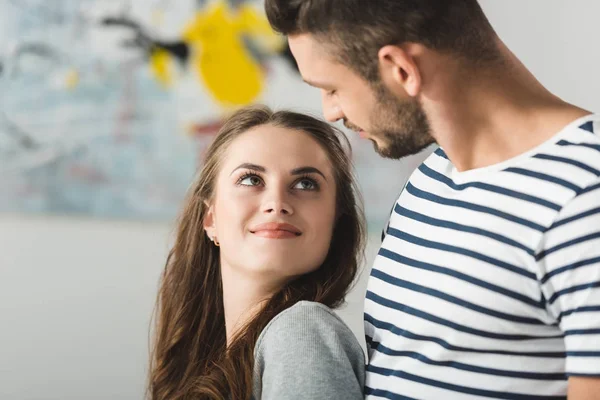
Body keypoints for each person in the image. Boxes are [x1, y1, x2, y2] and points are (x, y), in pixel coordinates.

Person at [265, 0, 600, 399]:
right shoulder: (431, 179)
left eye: (332, 88)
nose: (331, 111)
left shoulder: (584, 196)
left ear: (402, 70)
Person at [147, 105, 366, 400]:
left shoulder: (301, 332)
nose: (277, 203)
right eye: (251, 179)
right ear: (210, 218)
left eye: (305, 183)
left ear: (335, 222)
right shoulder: (204, 360)